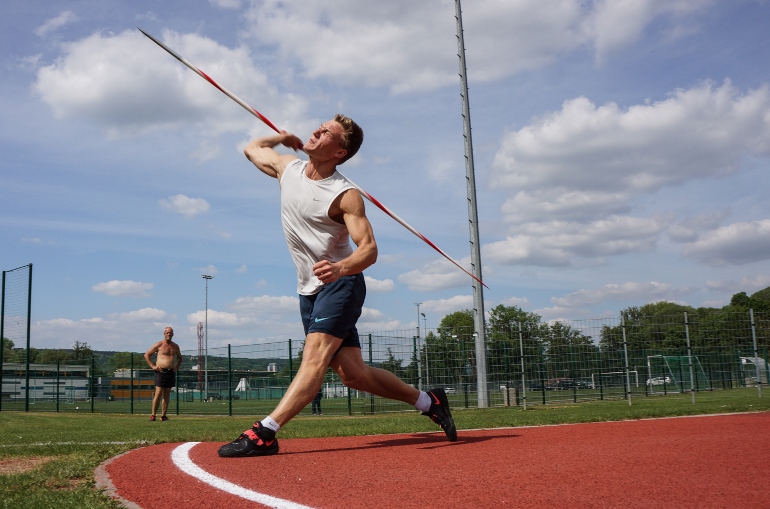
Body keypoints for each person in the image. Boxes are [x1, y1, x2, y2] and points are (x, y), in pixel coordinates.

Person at [218, 114, 456, 458]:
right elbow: (252, 148)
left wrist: (340, 267)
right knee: (353, 375)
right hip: (309, 289)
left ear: (339, 153)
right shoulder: (289, 168)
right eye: (319, 125)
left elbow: (370, 250)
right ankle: (428, 401)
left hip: (341, 284)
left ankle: (264, 432)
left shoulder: (345, 195)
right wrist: (281, 137)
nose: (316, 130)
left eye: (326, 132)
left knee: (313, 357)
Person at [144, 326, 182, 422]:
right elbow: (147, 355)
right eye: (167, 332)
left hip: (170, 372)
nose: (169, 334)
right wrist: (153, 366)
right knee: (158, 393)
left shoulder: (175, 346)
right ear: (164, 334)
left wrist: (176, 367)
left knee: (167, 394)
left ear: (173, 334)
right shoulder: (159, 345)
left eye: (170, 332)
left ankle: (163, 416)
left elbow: (180, 358)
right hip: (161, 372)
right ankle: (153, 415)